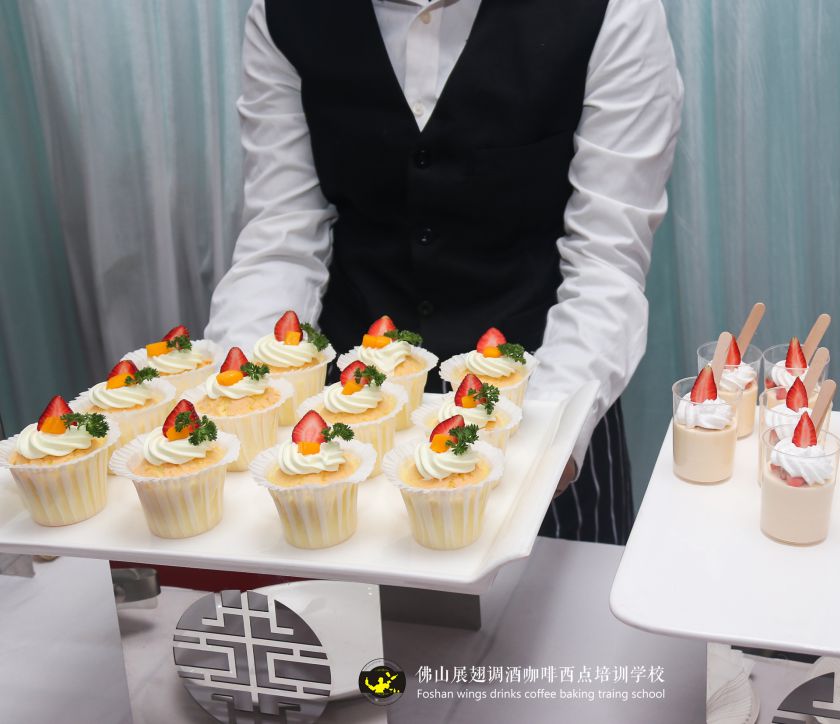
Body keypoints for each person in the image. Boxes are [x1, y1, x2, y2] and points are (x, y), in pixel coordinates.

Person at [206, 0, 682, 545]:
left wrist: (542, 442)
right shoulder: (284, 13)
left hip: (551, 394)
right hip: (347, 426)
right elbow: (281, 240)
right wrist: (234, 403)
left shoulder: (615, 10)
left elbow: (604, 261)